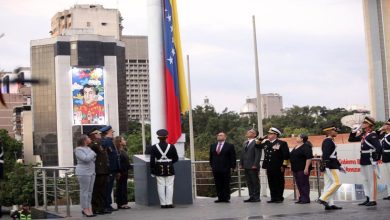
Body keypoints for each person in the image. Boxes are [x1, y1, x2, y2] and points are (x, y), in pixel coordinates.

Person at [348, 116, 382, 206]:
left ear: (369, 125)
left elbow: (379, 148)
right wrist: (353, 131)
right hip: (363, 159)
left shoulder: (373, 135)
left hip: (370, 160)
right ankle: (368, 197)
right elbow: (351, 139)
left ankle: (373, 199)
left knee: (372, 181)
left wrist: (376, 159)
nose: (362, 125)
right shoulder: (364, 135)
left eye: (364, 123)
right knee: (365, 180)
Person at [150, 129, 179, 208]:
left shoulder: (153, 147)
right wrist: (169, 162)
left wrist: (152, 170)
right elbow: (176, 158)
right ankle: (169, 203)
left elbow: (152, 161)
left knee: (160, 186)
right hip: (170, 168)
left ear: (158, 137)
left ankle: (163, 204)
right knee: (170, 186)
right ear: (166, 137)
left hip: (159, 168)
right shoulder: (172, 146)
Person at [260, 127, 289, 203]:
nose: (268, 135)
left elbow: (286, 155)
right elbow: (257, 146)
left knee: (279, 182)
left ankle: (279, 197)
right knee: (271, 182)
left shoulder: (282, 143)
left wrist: (284, 166)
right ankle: (273, 198)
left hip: (278, 166)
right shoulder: (266, 143)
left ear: (275, 135)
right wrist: (261, 139)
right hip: (269, 166)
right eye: (268, 134)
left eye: (270, 134)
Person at [317, 126, 343, 210]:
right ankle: (323, 198)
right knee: (337, 183)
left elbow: (333, 155)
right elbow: (326, 155)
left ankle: (330, 204)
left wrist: (339, 166)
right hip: (331, 165)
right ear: (329, 131)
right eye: (334, 131)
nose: (336, 132)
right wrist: (326, 166)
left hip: (332, 164)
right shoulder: (328, 141)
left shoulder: (330, 141)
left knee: (328, 185)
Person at [209, 132, 236, 203]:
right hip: (216, 168)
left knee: (226, 183)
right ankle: (220, 197)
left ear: (225, 137)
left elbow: (233, 157)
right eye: (218, 135)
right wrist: (212, 165)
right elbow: (211, 157)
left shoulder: (229, 146)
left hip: (226, 168)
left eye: (221, 135)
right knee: (218, 183)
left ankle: (226, 198)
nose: (219, 136)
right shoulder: (213, 145)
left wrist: (233, 166)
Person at [88, 128, 110, 215]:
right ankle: (95, 208)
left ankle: (101, 207)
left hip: (104, 170)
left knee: (102, 190)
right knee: (96, 190)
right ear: (93, 135)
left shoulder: (100, 144)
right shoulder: (92, 145)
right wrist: (95, 141)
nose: (100, 134)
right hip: (98, 170)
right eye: (97, 133)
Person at [75, 134, 97, 217]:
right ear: (84, 140)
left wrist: (91, 154)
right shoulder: (78, 149)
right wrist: (92, 153)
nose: (89, 139)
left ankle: (88, 207)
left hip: (91, 172)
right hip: (83, 172)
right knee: (84, 191)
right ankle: (85, 208)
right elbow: (86, 159)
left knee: (90, 192)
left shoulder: (88, 148)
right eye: (88, 138)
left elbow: (93, 159)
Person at [100, 125, 120, 212]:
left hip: (112, 168)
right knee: (107, 188)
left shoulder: (109, 141)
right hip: (109, 168)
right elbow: (109, 156)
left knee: (109, 187)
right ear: (108, 132)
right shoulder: (106, 142)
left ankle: (108, 204)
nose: (113, 133)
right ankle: (106, 205)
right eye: (112, 132)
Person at [290, 133, 313, 204]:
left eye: (298, 137)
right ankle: (301, 198)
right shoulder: (296, 146)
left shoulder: (306, 147)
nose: (296, 138)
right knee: (299, 184)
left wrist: (306, 168)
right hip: (295, 168)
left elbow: (309, 158)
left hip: (302, 168)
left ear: (302, 139)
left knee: (303, 183)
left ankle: (305, 199)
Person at [240, 129, 261, 203]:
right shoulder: (245, 142)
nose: (248, 132)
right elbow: (242, 154)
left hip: (253, 166)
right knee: (249, 182)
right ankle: (251, 196)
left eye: (250, 132)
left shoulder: (257, 142)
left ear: (255, 135)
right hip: (246, 166)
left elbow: (258, 155)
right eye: (248, 131)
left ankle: (256, 197)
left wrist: (255, 164)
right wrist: (241, 164)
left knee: (255, 182)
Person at [114, 136, 131, 209]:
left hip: (124, 171)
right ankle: (121, 203)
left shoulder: (123, 150)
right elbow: (118, 162)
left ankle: (123, 202)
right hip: (121, 172)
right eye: (123, 140)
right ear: (120, 142)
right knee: (120, 187)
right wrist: (118, 171)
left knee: (123, 187)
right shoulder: (118, 151)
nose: (125, 141)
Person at [380, 119, 390, 200]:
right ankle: (389, 194)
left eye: (386, 125)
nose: (384, 126)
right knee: (388, 177)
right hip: (385, 158)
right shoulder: (384, 135)